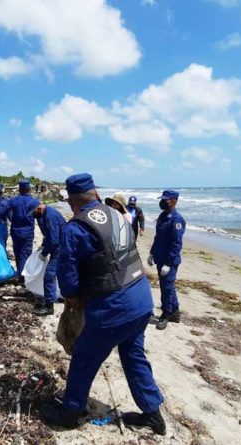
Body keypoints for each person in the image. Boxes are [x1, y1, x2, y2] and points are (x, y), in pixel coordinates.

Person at [40, 173, 165, 435]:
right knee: (133, 355)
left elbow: (68, 276)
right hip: (141, 298)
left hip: (114, 308)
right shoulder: (117, 214)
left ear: (72, 201)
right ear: (95, 193)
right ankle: (153, 414)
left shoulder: (76, 228)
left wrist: (73, 301)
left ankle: (70, 412)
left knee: (85, 357)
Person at [148, 190, 186, 330]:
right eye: (162, 199)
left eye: (166, 200)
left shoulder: (177, 219)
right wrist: (152, 253)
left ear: (174, 201)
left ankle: (165, 315)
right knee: (168, 286)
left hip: (169, 261)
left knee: (166, 288)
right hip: (160, 257)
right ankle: (175, 312)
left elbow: (176, 244)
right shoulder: (163, 216)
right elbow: (157, 237)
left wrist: (169, 264)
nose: (163, 202)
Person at [32, 204, 66, 316]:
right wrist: (43, 245)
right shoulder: (48, 213)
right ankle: (64, 296)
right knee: (61, 274)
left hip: (60, 249)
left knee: (49, 276)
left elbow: (54, 240)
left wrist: (44, 253)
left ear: (39, 208)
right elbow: (49, 236)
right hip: (62, 247)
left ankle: (49, 307)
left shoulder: (50, 217)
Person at [9, 179, 41, 278]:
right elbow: (40, 218)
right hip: (27, 231)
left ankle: (20, 272)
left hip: (15, 230)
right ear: (29, 189)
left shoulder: (13, 200)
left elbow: (5, 212)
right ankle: (22, 276)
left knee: (17, 252)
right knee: (25, 253)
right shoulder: (34, 202)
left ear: (19, 189)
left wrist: (12, 220)